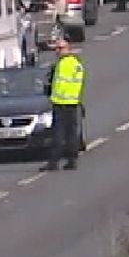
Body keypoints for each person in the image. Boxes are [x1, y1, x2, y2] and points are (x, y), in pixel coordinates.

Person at [42, 39, 85, 172]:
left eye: (59, 48)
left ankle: (53, 162)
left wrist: (51, 94)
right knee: (71, 133)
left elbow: (56, 84)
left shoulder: (62, 64)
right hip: (73, 102)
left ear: (67, 48)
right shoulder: (77, 64)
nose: (57, 51)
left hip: (60, 103)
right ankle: (72, 161)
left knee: (58, 133)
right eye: (56, 49)